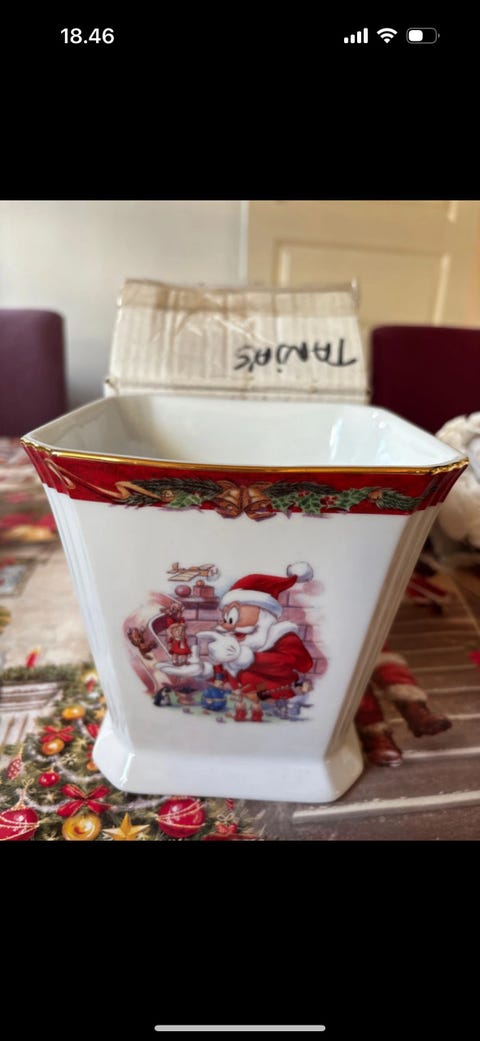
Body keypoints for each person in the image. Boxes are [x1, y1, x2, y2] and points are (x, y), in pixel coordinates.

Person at [200, 565, 321, 706]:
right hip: (241, 697)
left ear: (263, 612)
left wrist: (252, 658)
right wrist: (212, 673)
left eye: (233, 617)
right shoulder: (235, 638)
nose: (228, 625)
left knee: (247, 676)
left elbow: (303, 664)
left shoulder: (282, 636)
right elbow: (225, 667)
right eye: (227, 618)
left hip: (276, 694)